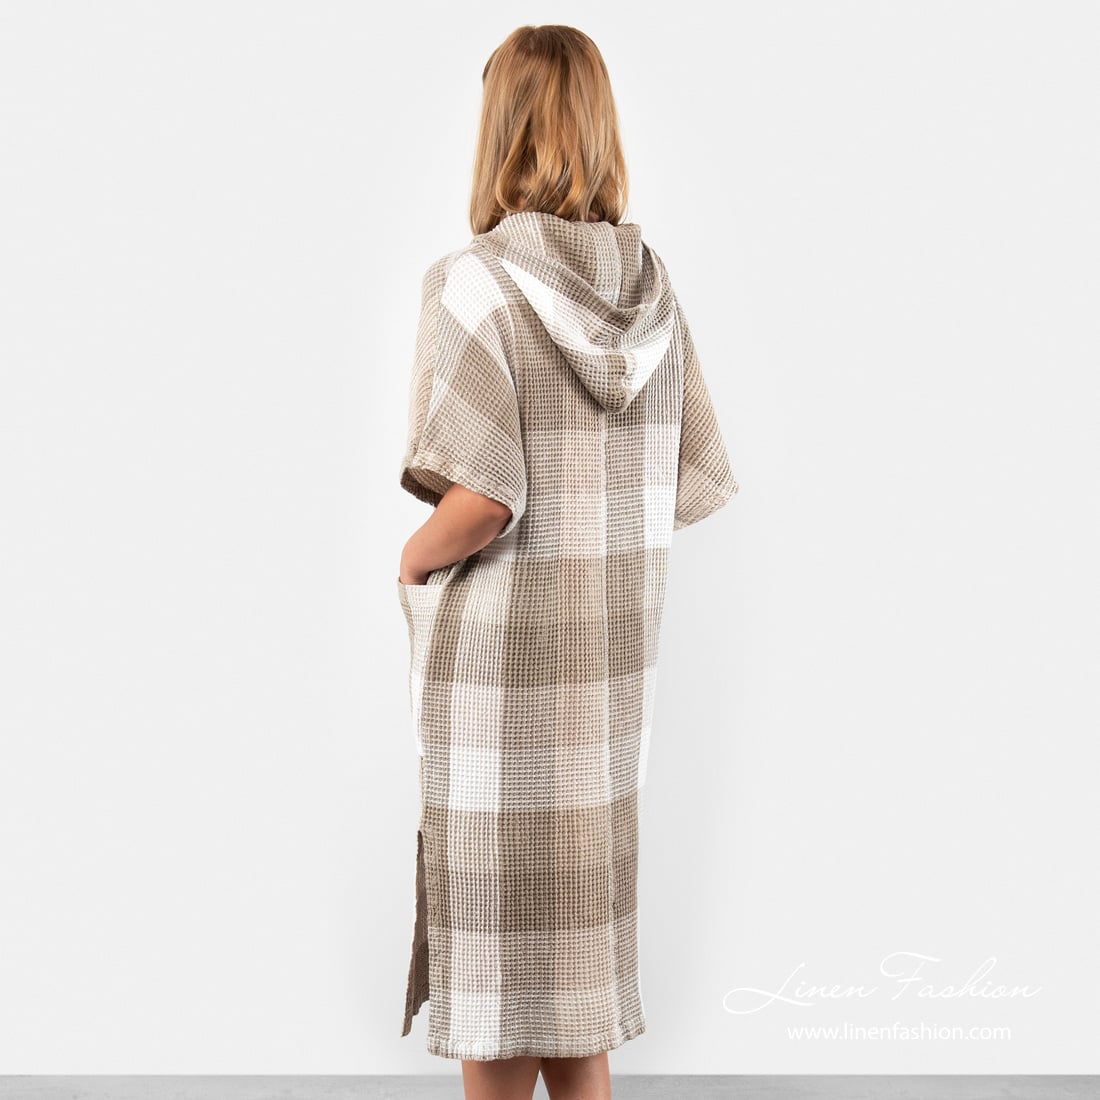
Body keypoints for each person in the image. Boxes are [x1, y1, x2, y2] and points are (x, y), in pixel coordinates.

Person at [395, 24, 738, 1100]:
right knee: (574, 995)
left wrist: (410, 560)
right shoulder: (653, 294)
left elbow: (482, 500)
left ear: (500, 128)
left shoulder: (474, 283)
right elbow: (683, 480)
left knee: (500, 997)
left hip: (503, 693)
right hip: (604, 696)